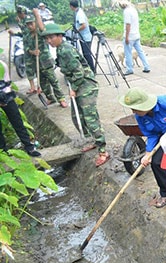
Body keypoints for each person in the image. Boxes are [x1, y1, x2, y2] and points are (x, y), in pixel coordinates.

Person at [42, 23, 109, 167]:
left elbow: (80, 72)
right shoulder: (60, 50)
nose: (49, 41)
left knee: (90, 117)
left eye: (51, 37)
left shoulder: (66, 50)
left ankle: (103, 150)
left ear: (60, 36)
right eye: (47, 38)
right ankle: (92, 140)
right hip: (77, 85)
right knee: (76, 115)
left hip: (86, 85)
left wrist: (74, 88)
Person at [118, 88, 166, 208]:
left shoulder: (165, 102)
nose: (133, 111)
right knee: (156, 162)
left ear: (144, 105)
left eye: (135, 108)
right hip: (165, 135)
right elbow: (151, 134)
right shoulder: (140, 117)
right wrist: (148, 153)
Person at [0, 56, 41, 157]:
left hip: (5, 95)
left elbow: (7, 84)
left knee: (17, 120)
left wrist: (4, 99)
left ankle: (29, 146)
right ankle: (3, 151)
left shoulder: (2, 66)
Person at [26, 11, 68, 108]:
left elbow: (42, 28)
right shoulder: (27, 36)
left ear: (35, 23)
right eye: (27, 24)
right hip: (36, 63)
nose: (29, 26)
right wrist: (32, 52)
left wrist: (37, 15)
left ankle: (61, 99)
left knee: (53, 81)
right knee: (43, 83)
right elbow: (26, 48)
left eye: (31, 23)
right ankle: (50, 98)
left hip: (46, 61)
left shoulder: (40, 33)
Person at [9, 6, 38, 94]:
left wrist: (19, 23)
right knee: (29, 68)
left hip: (33, 46)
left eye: (19, 13)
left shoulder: (28, 20)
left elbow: (27, 31)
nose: (18, 15)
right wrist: (14, 33)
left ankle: (40, 86)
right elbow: (24, 34)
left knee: (39, 68)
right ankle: (33, 87)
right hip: (26, 47)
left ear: (22, 13)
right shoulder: (22, 21)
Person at [118, 0, 151, 75]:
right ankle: (147, 66)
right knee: (140, 52)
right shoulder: (133, 9)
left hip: (130, 36)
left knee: (128, 53)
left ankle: (129, 69)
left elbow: (128, 25)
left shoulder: (126, 12)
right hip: (136, 34)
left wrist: (126, 37)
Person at [69, 0, 95, 72]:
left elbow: (84, 25)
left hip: (85, 37)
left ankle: (92, 69)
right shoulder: (78, 12)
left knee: (87, 54)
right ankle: (89, 69)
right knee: (85, 54)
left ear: (71, 6)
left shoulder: (79, 14)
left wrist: (77, 30)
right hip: (82, 37)